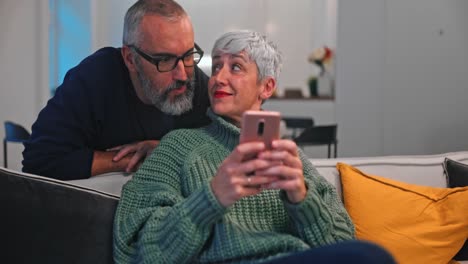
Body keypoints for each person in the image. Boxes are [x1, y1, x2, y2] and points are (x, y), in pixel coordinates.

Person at [113, 30, 396, 263]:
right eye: (216, 67)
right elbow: (140, 251)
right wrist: (212, 196)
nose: (218, 78)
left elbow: (341, 243)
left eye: (235, 67)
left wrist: (301, 197)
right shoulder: (178, 146)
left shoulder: (290, 158)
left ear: (267, 87)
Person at [22, 0, 211, 180]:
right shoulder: (94, 78)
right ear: (130, 59)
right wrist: (129, 161)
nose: (183, 75)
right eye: (164, 60)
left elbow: (228, 141)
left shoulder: (193, 78)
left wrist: (168, 149)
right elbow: (38, 160)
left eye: (188, 55)